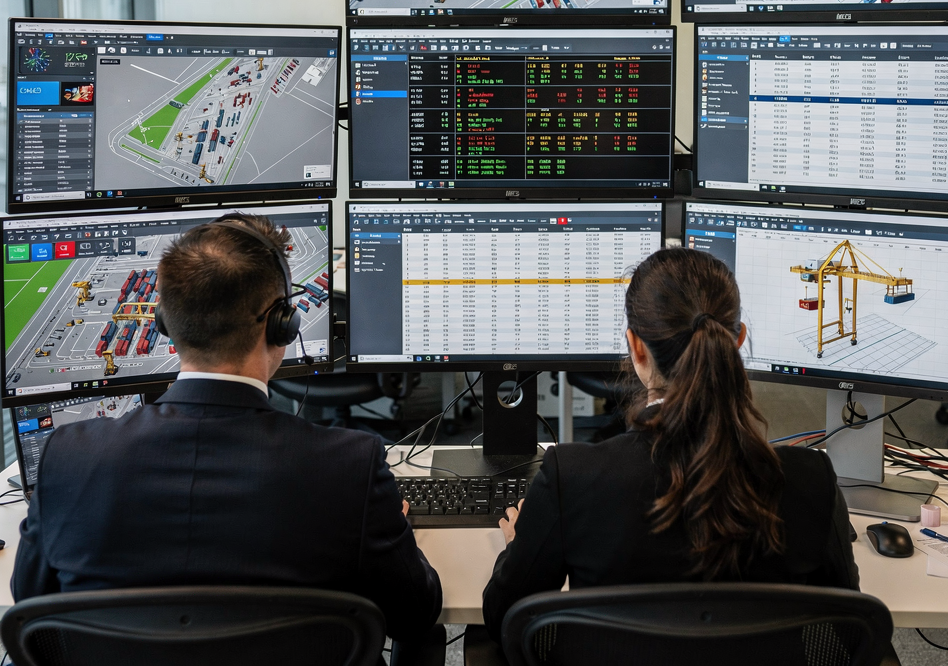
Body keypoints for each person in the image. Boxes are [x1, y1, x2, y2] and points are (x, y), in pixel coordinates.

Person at [13, 213, 443, 662]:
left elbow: (32, 606)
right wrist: (393, 530)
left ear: (164, 323)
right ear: (282, 324)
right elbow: (415, 615)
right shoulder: (350, 466)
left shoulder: (68, 457)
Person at [482, 246, 859, 643]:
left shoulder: (570, 478)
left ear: (635, 346)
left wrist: (517, 548)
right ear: (737, 341)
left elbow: (504, 617)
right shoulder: (811, 478)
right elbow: (851, 629)